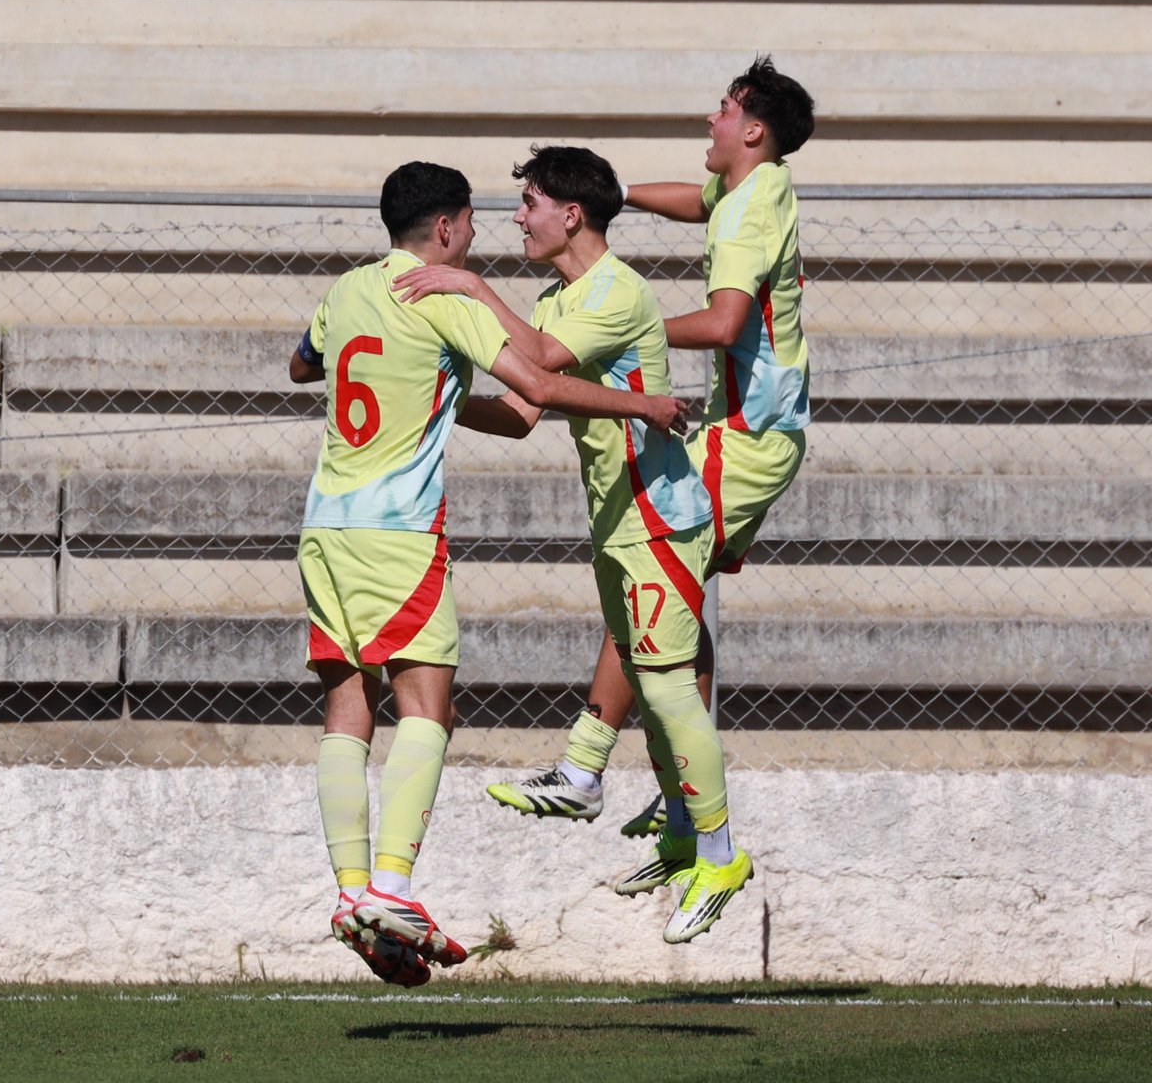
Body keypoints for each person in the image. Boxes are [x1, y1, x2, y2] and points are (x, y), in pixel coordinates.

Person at [290, 160, 689, 986]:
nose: (479, 234)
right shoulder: (446, 293)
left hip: (325, 525)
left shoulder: (345, 291)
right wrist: (644, 405)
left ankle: (350, 895)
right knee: (426, 699)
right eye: (470, 222)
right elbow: (537, 383)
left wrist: (425, 390)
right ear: (443, 229)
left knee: (346, 698)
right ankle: (393, 889)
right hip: (398, 533)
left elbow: (304, 365)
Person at [394, 145, 753, 943]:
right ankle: (685, 834)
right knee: (655, 694)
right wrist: (439, 405)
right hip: (618, 521)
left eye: (529, 201)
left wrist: (469, 285)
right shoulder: (557, 296)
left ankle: (723, 853)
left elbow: (543, 366)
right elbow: (526, 409)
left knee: (665, 689)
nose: (517, 217)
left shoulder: (617, 292)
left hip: (660, 520)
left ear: (571, 214)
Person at [483, 55, 816, 856]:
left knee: (652, 580)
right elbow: (693, 203)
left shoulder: (743, 215)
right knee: (670, 604)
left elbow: (726, 323)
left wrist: (623, 332)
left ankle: (593, 773)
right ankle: (673, 801)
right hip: (754, 430)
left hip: (749, 436)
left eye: (724, 109)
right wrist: (616, 193)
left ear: (754, 128)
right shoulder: (748, 190)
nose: (711, 119)